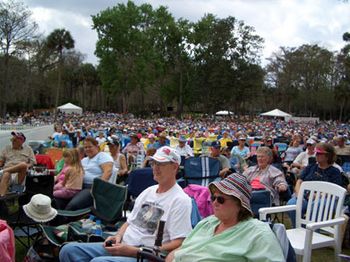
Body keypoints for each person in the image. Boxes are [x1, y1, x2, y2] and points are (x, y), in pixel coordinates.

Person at [60, 146, 192, 262]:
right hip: (122, 244)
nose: (155, 168)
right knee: (68, 250)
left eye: (161, 164)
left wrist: (136, 250)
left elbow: (179, 242)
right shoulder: (148, 191)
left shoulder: (180, 200)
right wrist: (117, 236)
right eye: (154, 163)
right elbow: (130, 221)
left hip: (145, 255)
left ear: (174, 167)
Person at [166, 173, 285, 262]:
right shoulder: (207, 222)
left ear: (240, 204)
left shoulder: (257, 233)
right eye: (213, 198)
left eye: (221, 199)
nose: (214, 203)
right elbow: (183, 248)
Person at [287, 142, 344, 227]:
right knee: (292, 204)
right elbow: (299, 181)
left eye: (320, 153)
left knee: (316, 206)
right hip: (305, 196)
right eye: (316, 153)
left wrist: (318, 195)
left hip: (324, 198)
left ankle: (312, 232)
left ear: (328, 156)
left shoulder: (335, 171)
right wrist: (299, 194)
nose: (316, 155)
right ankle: (297, 228)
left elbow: (335, 190)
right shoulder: (310, 167)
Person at [55, 137, 114, 210]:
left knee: (72, 206)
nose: (87, 149)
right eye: (85, 147)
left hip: (92, 187)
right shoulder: (84, 160)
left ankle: (66, 219)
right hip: (77, 186)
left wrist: (97, 188)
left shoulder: (102, 156)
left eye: (90, 147)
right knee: (57, 200)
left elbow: (108, 172)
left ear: (96, 146)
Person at [0, 132, 36, 196]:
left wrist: (25, 167)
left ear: (21, 141)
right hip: (8, 171)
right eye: (12, 140)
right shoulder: (6, 148)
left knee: (23, 165)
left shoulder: (28, 149)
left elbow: (33, 162)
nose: (12, 141)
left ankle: (2, 172)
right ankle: (2, 199)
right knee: (6, 174)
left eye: (15, 140)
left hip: (21, 173)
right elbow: (1, 162)